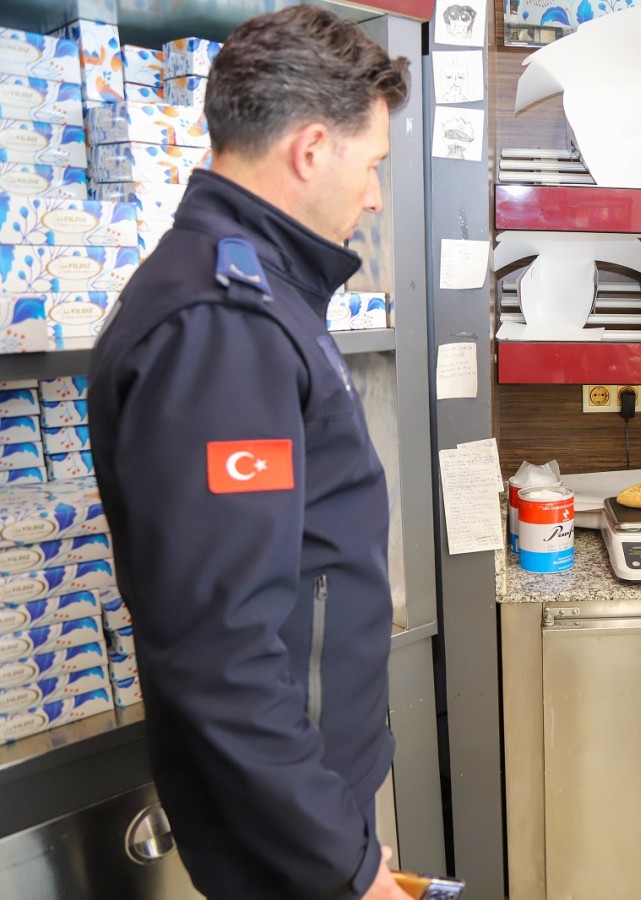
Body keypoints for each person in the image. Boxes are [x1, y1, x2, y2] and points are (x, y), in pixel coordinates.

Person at [87, 7, 411, 898]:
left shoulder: (253, 294)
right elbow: (220, 649)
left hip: (300, 802)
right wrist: (344, 865)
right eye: (373, 165)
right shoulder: (222, 326)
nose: (375, 197)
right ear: (311, 149)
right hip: (285, 832)